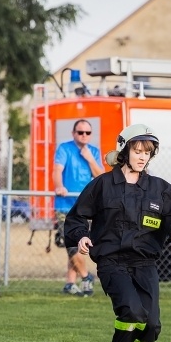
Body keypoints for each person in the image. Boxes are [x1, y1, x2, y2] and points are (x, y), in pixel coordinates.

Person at [63, 124, 171, 342]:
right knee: (132, 312)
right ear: (124, 151)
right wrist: (81, 236)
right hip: (112, 263)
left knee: (152, 326)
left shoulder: (161, 189)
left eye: (147, 153)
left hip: (145, 264)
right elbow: (76, 217)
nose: (142, 157)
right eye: (137, 151)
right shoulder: (102, 185)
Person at [53, 119, 104, 296]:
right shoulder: (64, 148)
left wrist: (89, 158)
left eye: (87, 133)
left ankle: (70, 283)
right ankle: (86, 276)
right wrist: (59, 186)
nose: (84, 136)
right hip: (65, 207)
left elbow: (100, 177)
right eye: (80, 132)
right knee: (70, 245)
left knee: (78, 244)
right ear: (73, 133)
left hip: (86, 208)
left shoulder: (94, 152)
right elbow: (57, 171)